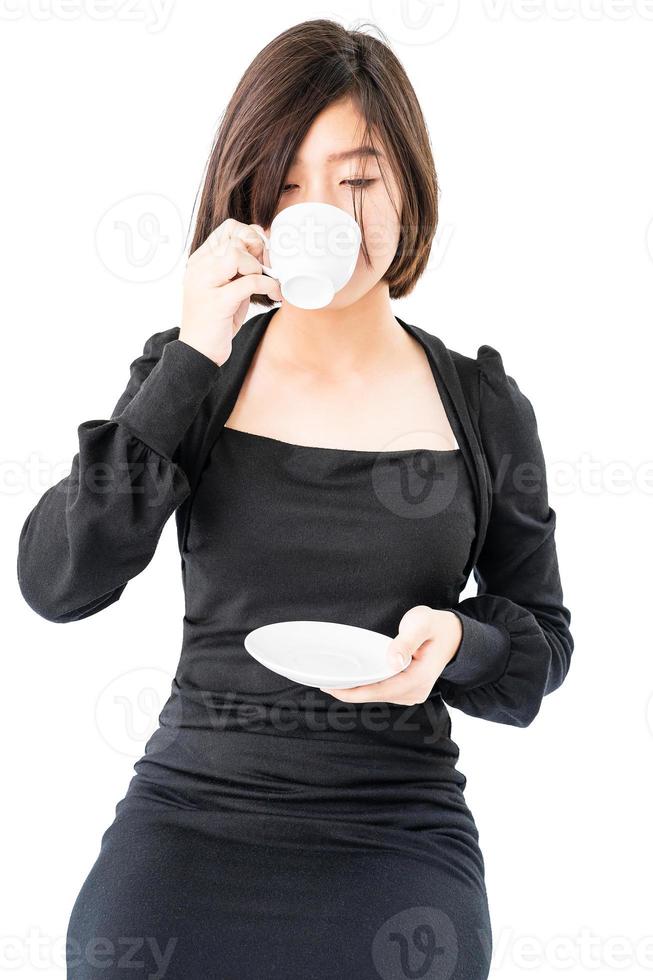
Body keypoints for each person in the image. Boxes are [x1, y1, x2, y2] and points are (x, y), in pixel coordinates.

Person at [17, 19, 574, 980]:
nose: (327, 213)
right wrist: (192, 351)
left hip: (395, 831)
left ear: (409, 185)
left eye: (357, 179)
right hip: (192, 813)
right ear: (247, 209)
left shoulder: (481, 406)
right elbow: (57, 581)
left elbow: (540, 650)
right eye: (285, 187)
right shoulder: (195, 374)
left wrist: (457, 643)